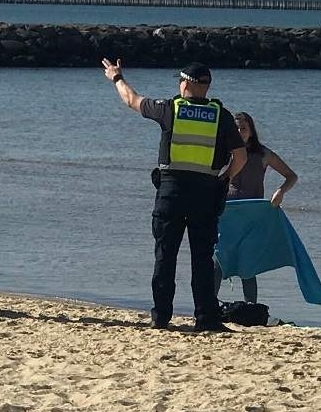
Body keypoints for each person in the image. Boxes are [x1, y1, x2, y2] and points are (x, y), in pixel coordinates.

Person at [101, 58, 247, 332]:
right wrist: (224, 177)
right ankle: (206, 319)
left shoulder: (171, 109)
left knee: (165, 256)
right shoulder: (222, 116)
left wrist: (116, 78)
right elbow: (240, 157)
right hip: (205, 193)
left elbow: (131, 100)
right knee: (201, 259)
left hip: (171, 192)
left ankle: (161, 317)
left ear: (186, 84)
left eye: (181, 81)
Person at [214, 111, 298, 303]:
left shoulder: (263, 154)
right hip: (227, 213)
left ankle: (251, 308)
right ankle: (209, 306)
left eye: (243, 128)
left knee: (247, 264)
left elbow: (291, 176)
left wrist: (280, 191)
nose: (239, 131)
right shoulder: (224, 152)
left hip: (253, 217)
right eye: (236, 128)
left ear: (251, 131)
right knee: (218, 260)